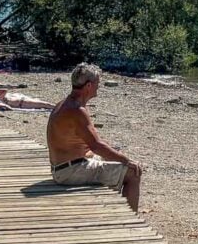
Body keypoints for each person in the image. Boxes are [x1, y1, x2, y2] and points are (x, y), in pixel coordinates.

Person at [47, 63, 144, 212]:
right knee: (133, 173)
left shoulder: (64, 104)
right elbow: (96, 146)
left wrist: (112, 154)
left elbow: (85, 144)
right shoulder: (77, 110)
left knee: (109, 157)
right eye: (98, 83)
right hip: (70, 173)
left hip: (61, 169)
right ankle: (132, 222)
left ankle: (114, 209)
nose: (99, 86)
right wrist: (127, 161)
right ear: (88, 86)